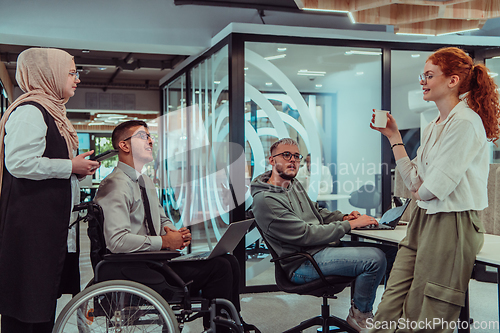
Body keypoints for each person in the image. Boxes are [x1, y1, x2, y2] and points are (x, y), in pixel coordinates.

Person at [368, 47, 500, 333]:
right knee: (391, 301)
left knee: (427, 312)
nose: (422, 81)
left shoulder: (465, 122)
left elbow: (431, 189)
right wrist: (394, 137)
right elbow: (415, 183)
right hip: (423, 218)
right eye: (422, 75)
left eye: (429, 75)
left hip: (452, 222)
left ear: (452, 80)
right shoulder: (432, 126)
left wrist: (421, 189)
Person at [93, 120, 259, 333]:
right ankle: (222, 328)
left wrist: (173, 232)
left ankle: (229, 323)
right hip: (135, 265)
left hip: (154, 259)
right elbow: (117, 241)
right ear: (124, 146)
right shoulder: (115, 184)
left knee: (228, 259)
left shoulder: (145, 181)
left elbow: (161, 219)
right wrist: (163, 241)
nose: (151, 141)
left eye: (150, 136)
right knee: (221, 267)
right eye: (143, 137)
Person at [250, 138, 397, 332]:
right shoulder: (265, 200)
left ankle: (390, 313)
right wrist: (349, 224)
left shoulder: (292, 185)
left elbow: (317, 212)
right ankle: (360, 315)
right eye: (286, 155)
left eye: (296, 156)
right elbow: (305, 234)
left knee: (390, 252)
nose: (293, 160)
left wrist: (344, 216)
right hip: (302, 262)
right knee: (374, 259)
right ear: (271, 160)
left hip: (322, 250)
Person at [0, 48, 100, 333]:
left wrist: (77, 170)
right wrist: (70, 166)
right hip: (31, 231)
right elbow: (18, 163)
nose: (77, 79)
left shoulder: (53, 112)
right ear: (49, 74)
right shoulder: (31, 111)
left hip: (47, 229)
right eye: (71, 72)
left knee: (40, 306)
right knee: (27, 311)